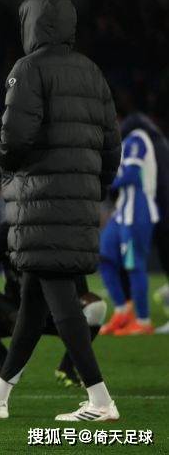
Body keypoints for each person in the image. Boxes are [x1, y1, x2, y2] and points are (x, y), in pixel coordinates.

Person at [0, 0, 122, 422]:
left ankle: (100, 401)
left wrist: (6, 163)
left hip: (40, 201)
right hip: (78, 200)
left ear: (30, 25)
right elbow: (112, 144)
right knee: (35, 299)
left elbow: (15, 139)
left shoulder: (28, 69)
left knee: (60, 299)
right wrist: (95, 188)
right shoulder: (92, 72)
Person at [0, 221, 106, 387]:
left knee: (95, 307)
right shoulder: (3, 232)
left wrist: (65, 315)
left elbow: (80, 289)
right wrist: (11, 312)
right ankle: (5, 364)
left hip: (53, 314)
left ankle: (67, 367)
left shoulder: (60, 235)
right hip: (15, 311)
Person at [98, 122, 159, 336]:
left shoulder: (137, 138)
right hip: (122, 212)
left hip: (138, 212)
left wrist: (105, 184)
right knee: (104, 256)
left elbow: (132, 175)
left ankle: (143, 321)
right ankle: (123, 311)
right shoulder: (123, 144)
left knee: (134, 265)